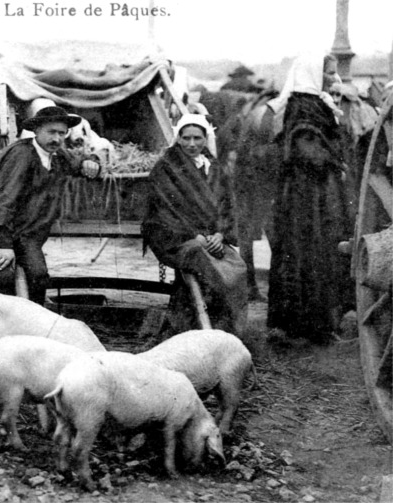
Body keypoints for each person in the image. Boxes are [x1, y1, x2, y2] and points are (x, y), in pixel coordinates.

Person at [0, 106, 100, 304]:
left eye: (62, 133)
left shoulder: (58, 155)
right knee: (5, 279)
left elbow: (77, 164)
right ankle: (0, 325)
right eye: (51, 132)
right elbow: (1, 202)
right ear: (36, 131)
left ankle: (34, 323)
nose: (57, 139)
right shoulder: (22, 155)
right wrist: (3, 245)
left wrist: (91, 162)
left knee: (39, 276)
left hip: (27, 235)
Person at [266, 54, 353, 343]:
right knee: (308, 251)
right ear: (314, 74)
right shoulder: (303, 107)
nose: (334, 78)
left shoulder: (317, 104)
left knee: (321, 252)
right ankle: (307, 326)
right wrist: (333, 159)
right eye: (329, 73)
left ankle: (318, 323)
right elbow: (305, 149)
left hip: (317, 191)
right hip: (306, 196)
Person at [142, 113, 248, 335]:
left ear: (205, 138)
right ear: (178, 138)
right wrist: (194, 236)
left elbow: (226, 206)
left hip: (211, 239)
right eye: (186, 138)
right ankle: (211, 329)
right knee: (210, 267)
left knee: (236, 266)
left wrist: (220, 235)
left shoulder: (215, 168)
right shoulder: (166, 168)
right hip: (175, 240)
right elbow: (163, 213)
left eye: (197, 138)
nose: (192, 144)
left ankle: (229, 331)